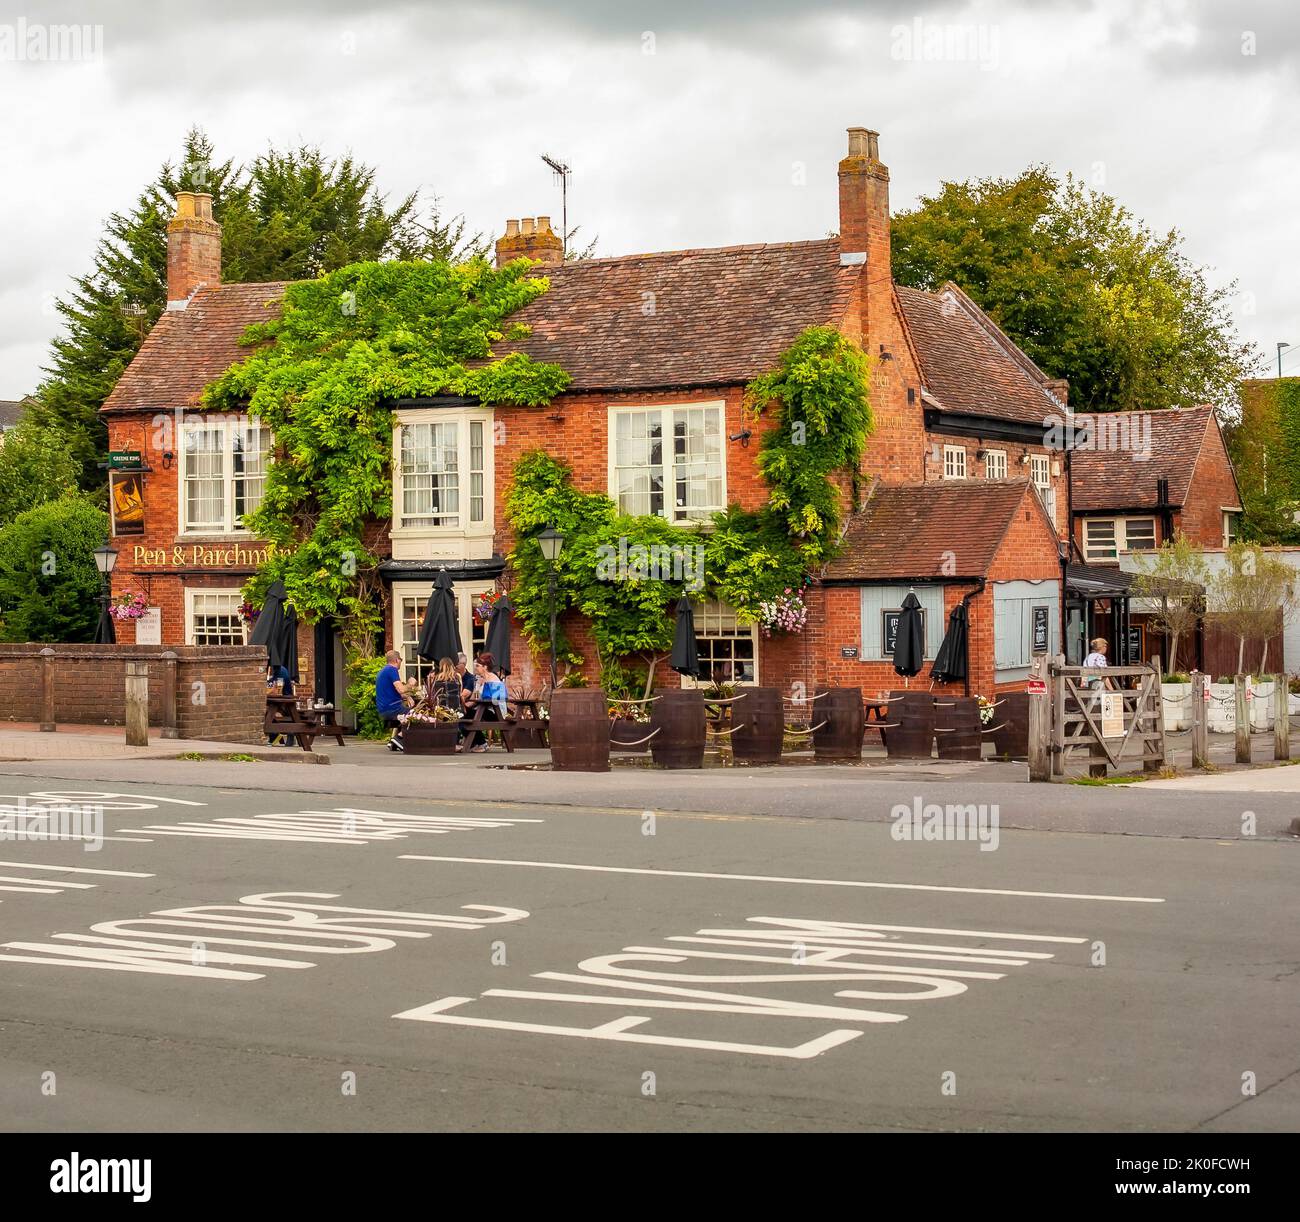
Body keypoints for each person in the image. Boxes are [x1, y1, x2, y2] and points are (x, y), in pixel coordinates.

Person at [461, 651, 508, 753]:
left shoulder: (494, 680)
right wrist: (464, 705)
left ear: (485, 667)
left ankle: (481, 743)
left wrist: (485, 689)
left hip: (496, 712)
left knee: (469, 716)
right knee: (461, 715)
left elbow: (497, 700)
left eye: (477, 666)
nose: (475, 668)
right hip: (482, 710)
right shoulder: (479, 680)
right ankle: (476, 743)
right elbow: (474, 698)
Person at [375, 649, 414, 752]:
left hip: (384, 709)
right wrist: (410, 684)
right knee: (417, 715)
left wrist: (407, 697)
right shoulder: (392, 670)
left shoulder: (383, 671)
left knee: (408, 711)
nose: (401, 661)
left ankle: (393, 742)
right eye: (401, 659)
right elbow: (401, 688)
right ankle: (399, 738)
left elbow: (395, 691)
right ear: (397, 660)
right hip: (392, 708)